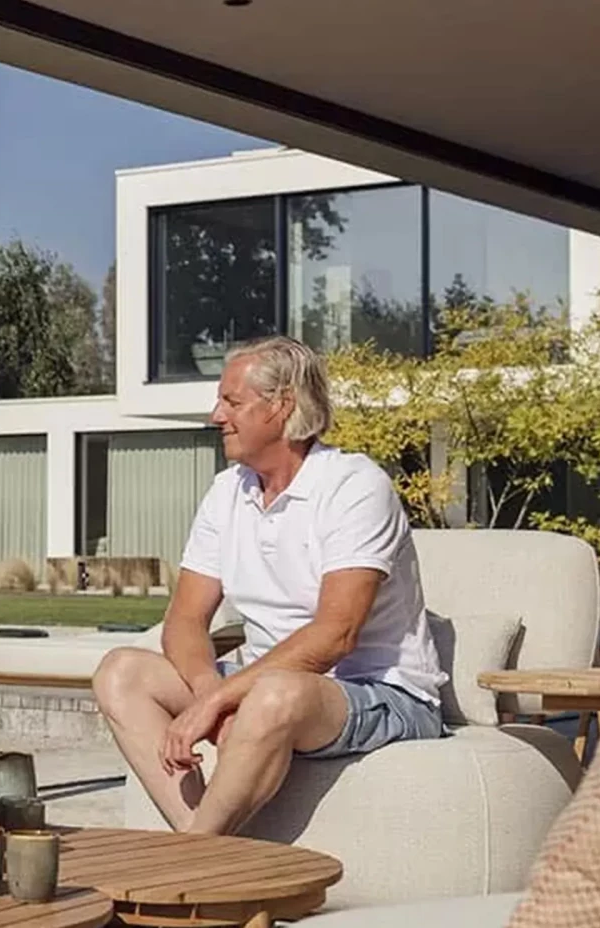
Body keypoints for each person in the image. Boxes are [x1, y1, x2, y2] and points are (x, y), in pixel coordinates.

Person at [92, 335, 445, 837]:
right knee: (121, 671)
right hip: (261, 685)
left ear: (282, 406)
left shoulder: (354, 486)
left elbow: (335, 635)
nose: (216, 415)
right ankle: (205, 842)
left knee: (274, 692)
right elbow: (185, 621)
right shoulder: (227, 492)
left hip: (383, 694)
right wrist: (211, 694)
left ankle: (192, 859)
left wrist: (221, 702)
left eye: (232, 401)